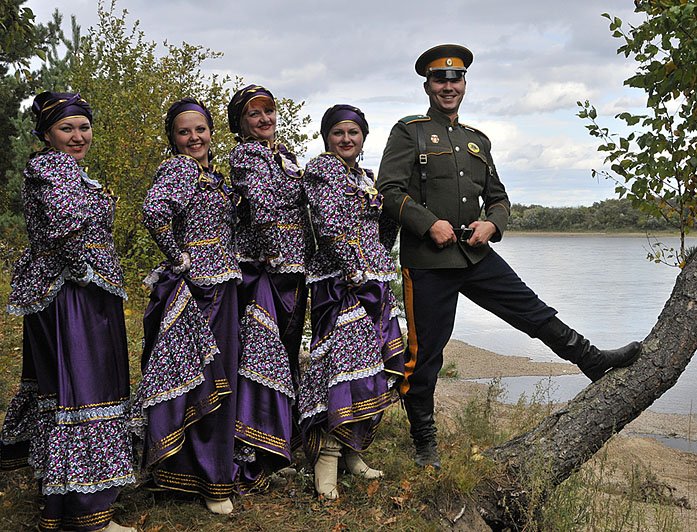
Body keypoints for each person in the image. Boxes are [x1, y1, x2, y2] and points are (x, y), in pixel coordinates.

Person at [377, 44, 642, 469]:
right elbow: (389, 191)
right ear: (427, 85)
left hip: (476, 256)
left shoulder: (477, 141)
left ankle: (591, 360)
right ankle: (424, 442)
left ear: (464, 84)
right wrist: (429, 223)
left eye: (456, 79)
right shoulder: (408, 132)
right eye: (440, 79)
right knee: (425, 355)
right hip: (429, 262)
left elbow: (499, 198)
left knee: (534, 312)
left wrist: (492, 225)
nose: (449, 86)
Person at [1, 92, 135, 531]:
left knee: (64, 395)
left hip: (73, 294)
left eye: (83, 126)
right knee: (85, 393)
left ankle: (67, 505)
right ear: (45, 133)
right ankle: (89, 514)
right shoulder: (51, 167)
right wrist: (89, 271)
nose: (78, 136)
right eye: (66, 128)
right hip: (75, 297)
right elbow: (66, 229)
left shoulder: (63, 169)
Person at [132, 98, 240, 514]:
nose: (194, 138)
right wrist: (180, 258)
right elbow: (154, 211)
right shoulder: (181, 169)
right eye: (183, 132)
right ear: (173, 139)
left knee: (207, 380)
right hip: (199, 293)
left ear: (212, 132)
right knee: (205, 379)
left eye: (200, 129)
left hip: (222, 287)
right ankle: (212, 482)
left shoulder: (212, 174)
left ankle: (196, 473)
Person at [301, 104, 404, 499]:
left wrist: (379, 259)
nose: (347, 139)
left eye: (354, 132)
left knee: (371, 366)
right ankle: (326, 456)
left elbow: (381, 225)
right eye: (338, 132)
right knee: (343, 365)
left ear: (364, 137)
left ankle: (352, 449)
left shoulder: (366, 177)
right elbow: (328, 227)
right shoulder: (322, 170)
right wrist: (358, 269)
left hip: (372, 278)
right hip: (340, 282)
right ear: (327, 137)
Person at [227, 85, 313, 489]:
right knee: (264, 360)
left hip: (293, 269)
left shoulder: (286, 158)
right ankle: (253, 455)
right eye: (254, 114)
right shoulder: (248, 155)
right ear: (241, 124)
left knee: (285, 355)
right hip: (269, 272)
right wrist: (276, 254)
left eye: (269, 111)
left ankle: (277, 446)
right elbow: (261, 210)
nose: (264, 119)